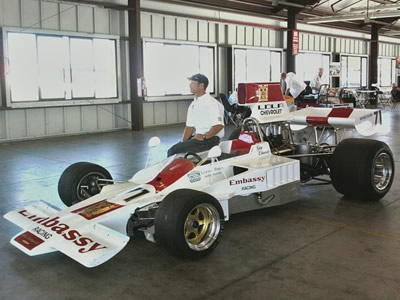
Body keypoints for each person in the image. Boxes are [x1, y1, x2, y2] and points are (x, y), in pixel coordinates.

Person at [167, 74, 225, 157]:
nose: (190, 85)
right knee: (174, 151)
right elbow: (189, 127)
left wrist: (204, 136)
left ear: (201, 86)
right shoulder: (193, 104)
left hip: (210, 139)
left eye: (193, 83)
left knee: (172, 151)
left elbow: (219, 125)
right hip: (199, 138)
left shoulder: (212, 103)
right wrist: (183, 143)